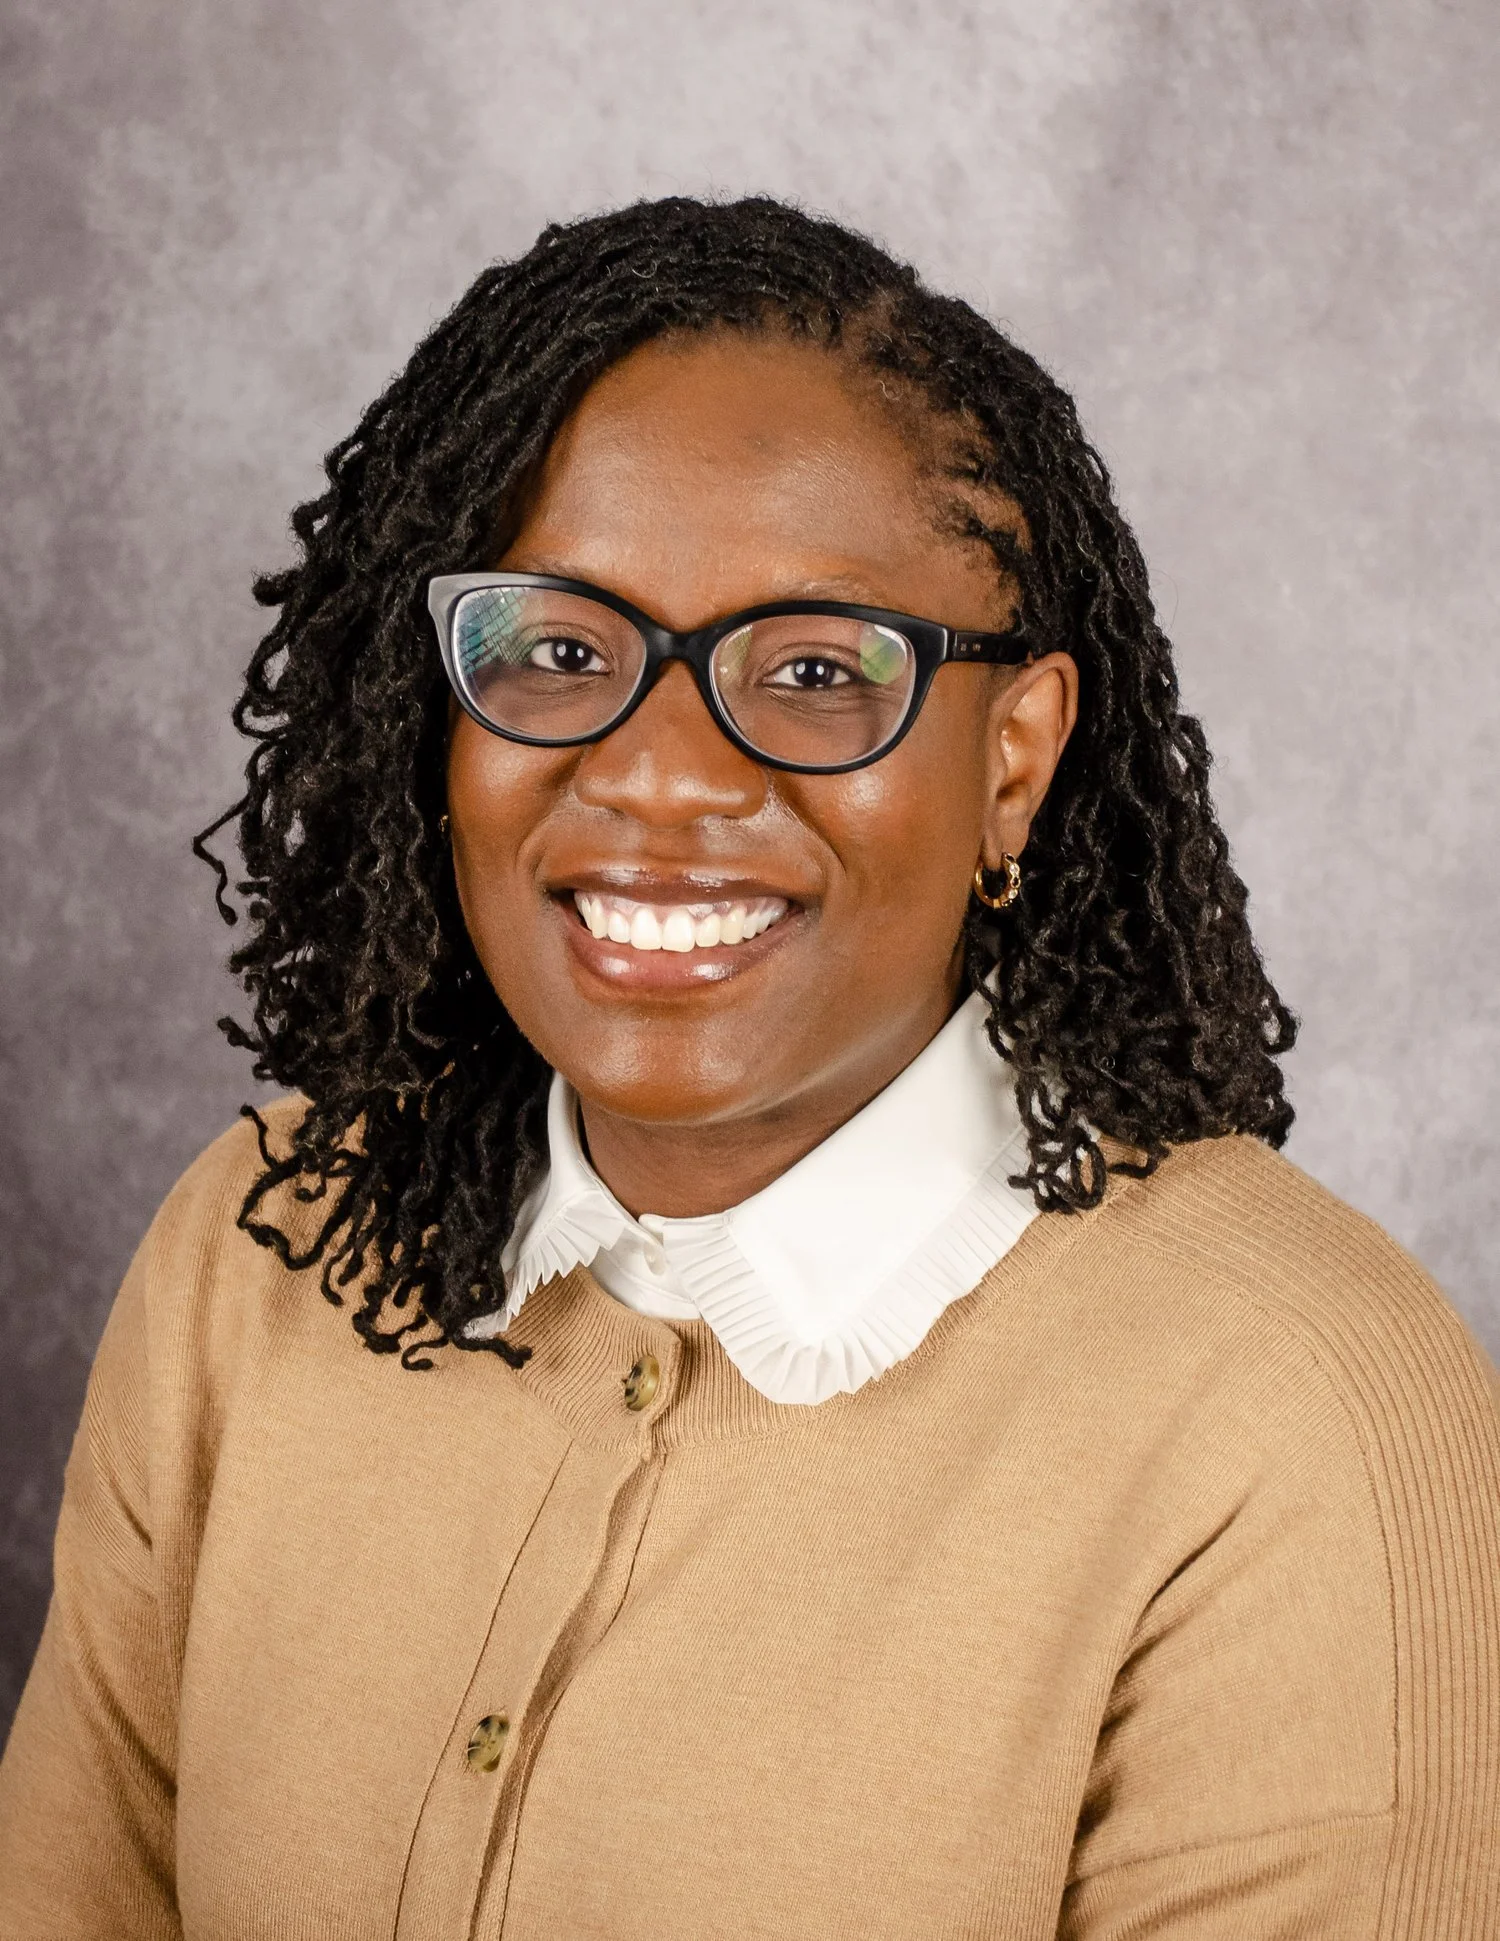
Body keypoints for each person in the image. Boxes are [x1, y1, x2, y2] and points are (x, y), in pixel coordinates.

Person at [1, 196, 1496, 1939]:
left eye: (812, 673)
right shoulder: (263, 1252)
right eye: (561, 650)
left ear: (1014, 760)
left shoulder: (1295, 1409)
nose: (661, 777)